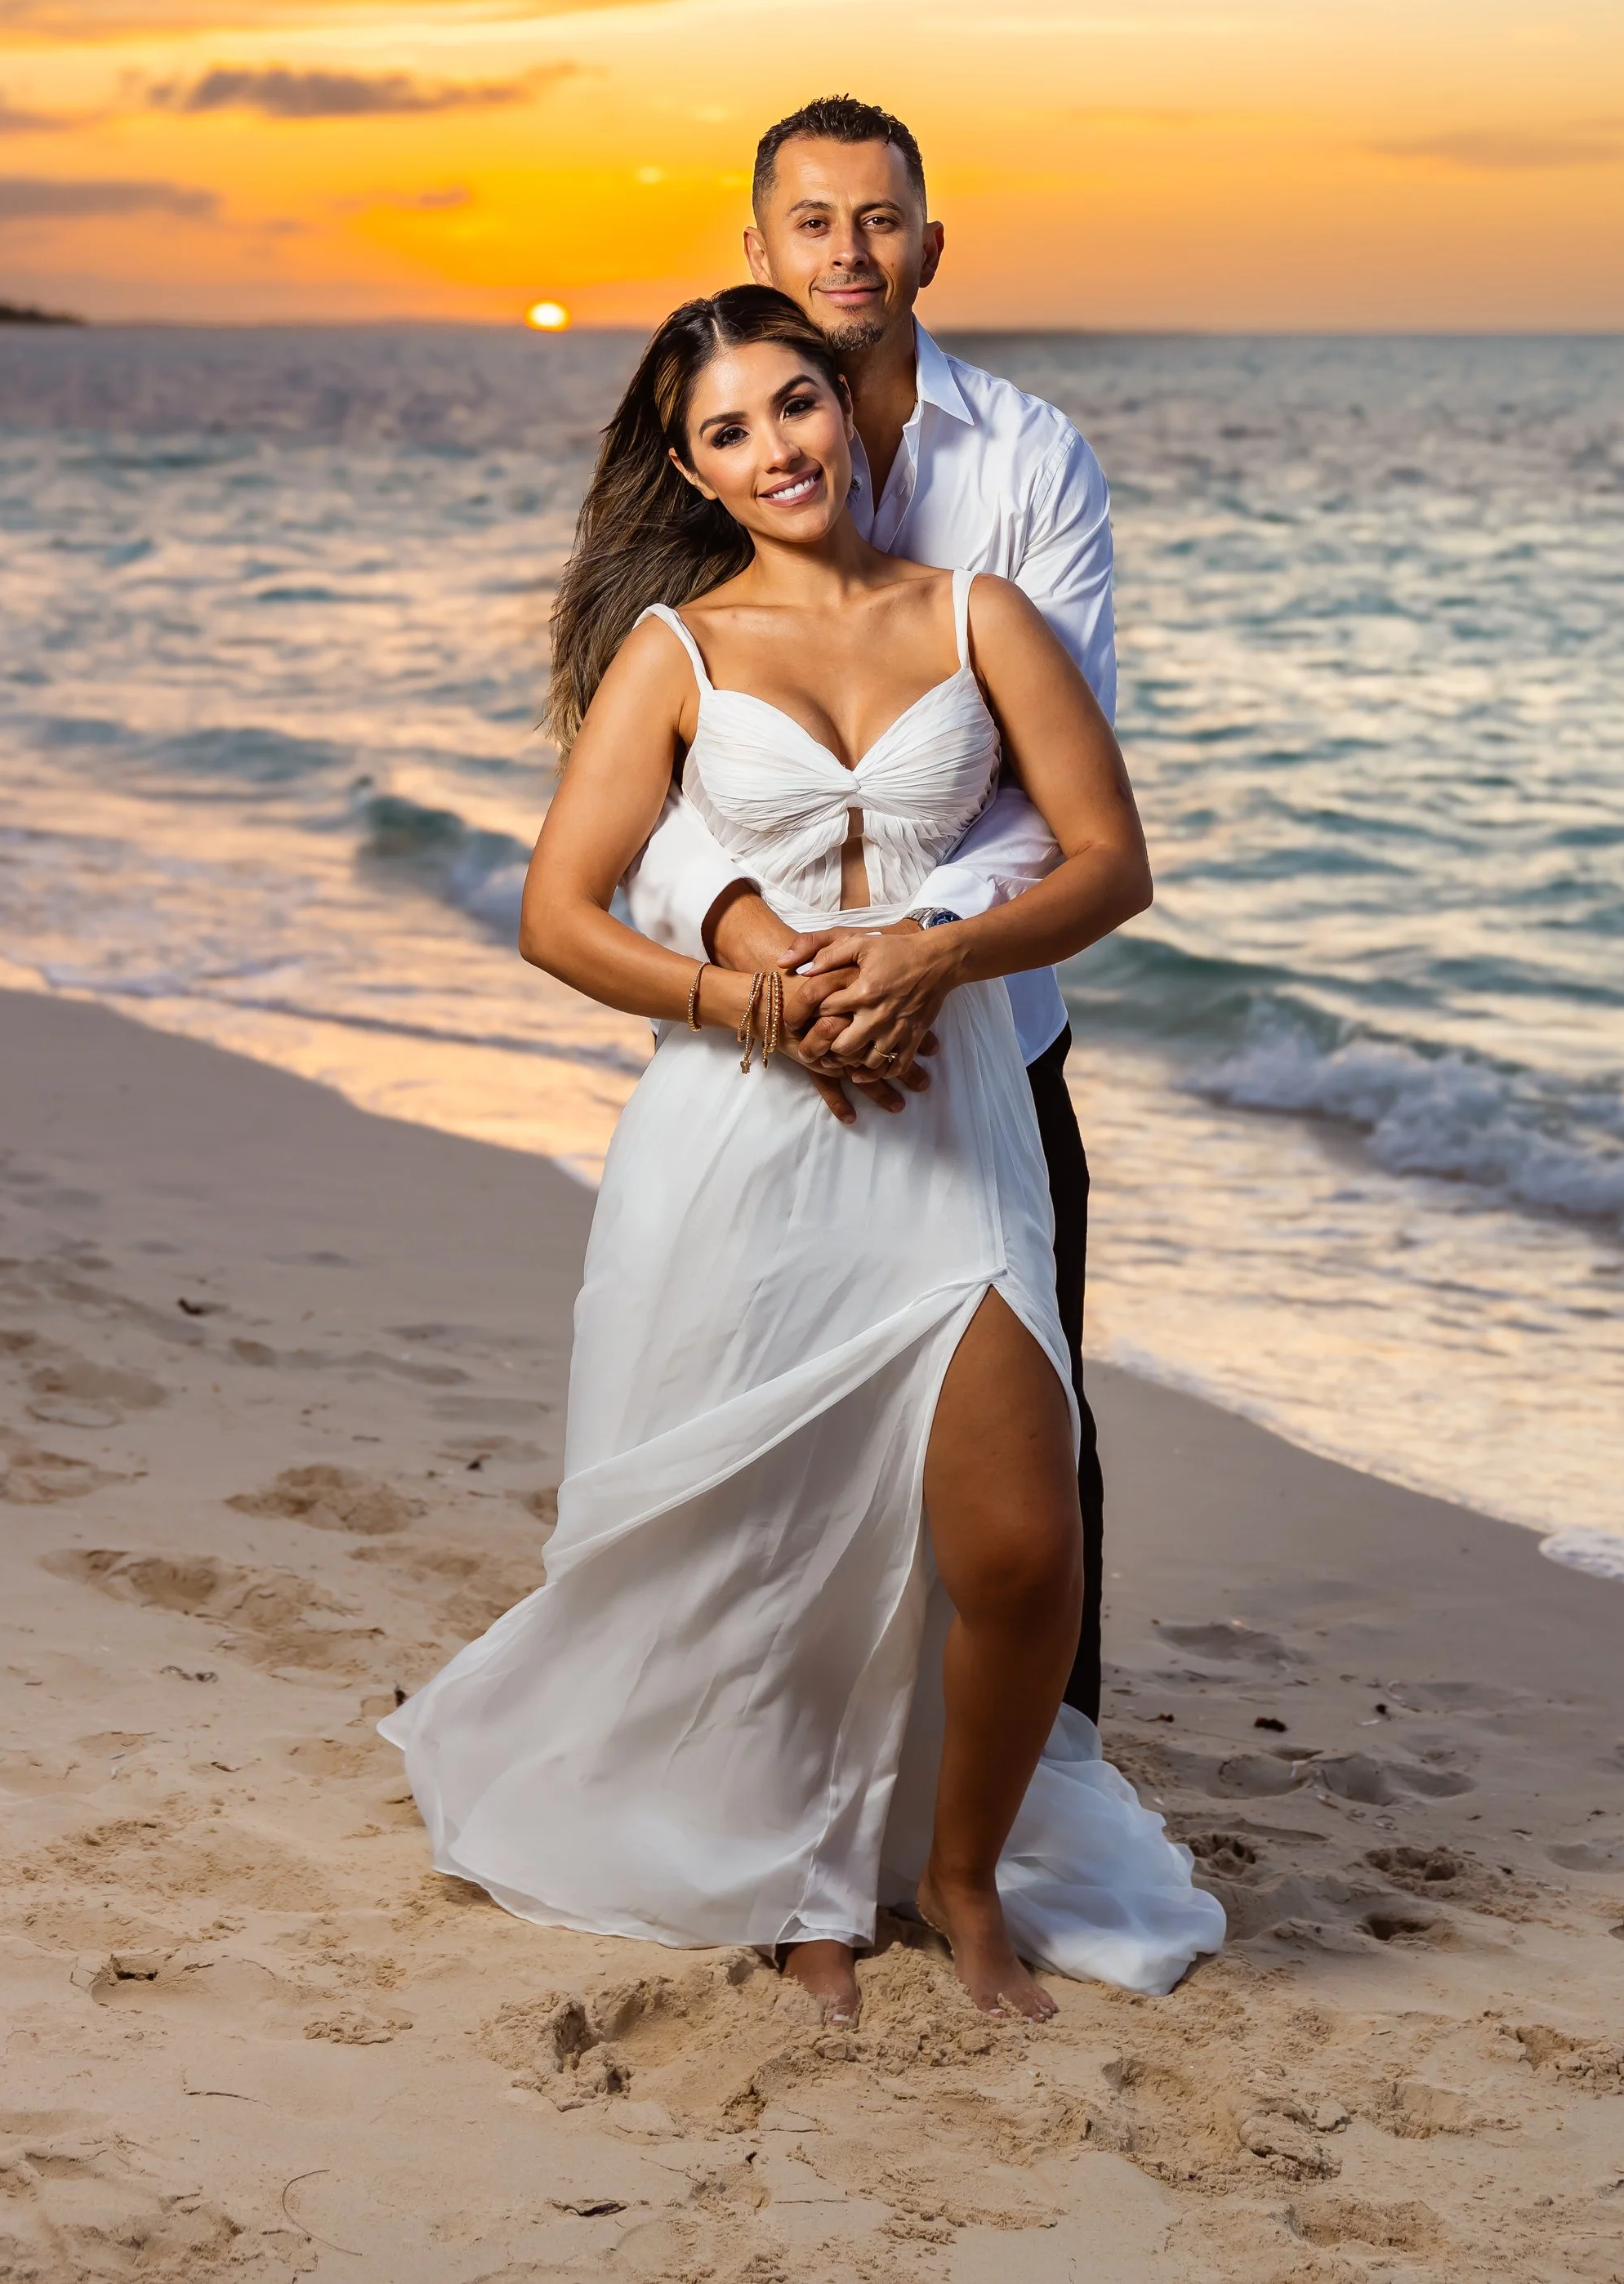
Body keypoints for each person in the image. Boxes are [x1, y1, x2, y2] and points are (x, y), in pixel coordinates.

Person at [381, 285, 1225, 2019]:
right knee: (761, 1526)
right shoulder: (674, 655)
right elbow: (556, 909)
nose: (773, 448)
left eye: (792, 406)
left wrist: (928, 955)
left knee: (1014, 1544)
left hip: (952, 1109)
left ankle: (959, 1872)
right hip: (745, 1138)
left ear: (844, 412)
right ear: (687, 469)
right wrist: (748, 1009)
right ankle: (798, 1885)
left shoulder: (977, 612)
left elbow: (1104, 861)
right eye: (727, 430)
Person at [627, 95, 1116, 1742]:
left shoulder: (1029, 464)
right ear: (756, 248)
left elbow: (1059, 795)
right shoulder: (719, 437)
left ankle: (1046, 1776)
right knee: (780, 1429)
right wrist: (763, 952)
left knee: (1030, 1434)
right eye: (813, 222)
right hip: (768, 1048)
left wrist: (919, 958)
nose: (849, 249)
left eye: (880, 218)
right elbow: (658, 778)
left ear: (929, 244)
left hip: (985, 1030)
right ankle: (784, 1788)